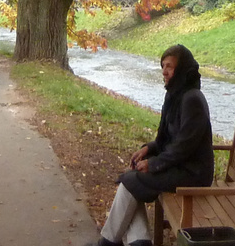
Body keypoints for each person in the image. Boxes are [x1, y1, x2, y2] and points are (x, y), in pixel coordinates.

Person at [91, 44, 214, 246]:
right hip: (179, 165)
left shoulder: (193, 100)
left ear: (182, 70)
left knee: (133, 180)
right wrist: (148, 149)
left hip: (194, 173)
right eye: (163, 66)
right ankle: (137, 241)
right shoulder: (174, 94)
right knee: (133, 180)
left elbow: (184, 146)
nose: (164, 72)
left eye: (170, 67)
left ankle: (110, 242)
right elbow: (164, 138)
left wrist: (154, 164)